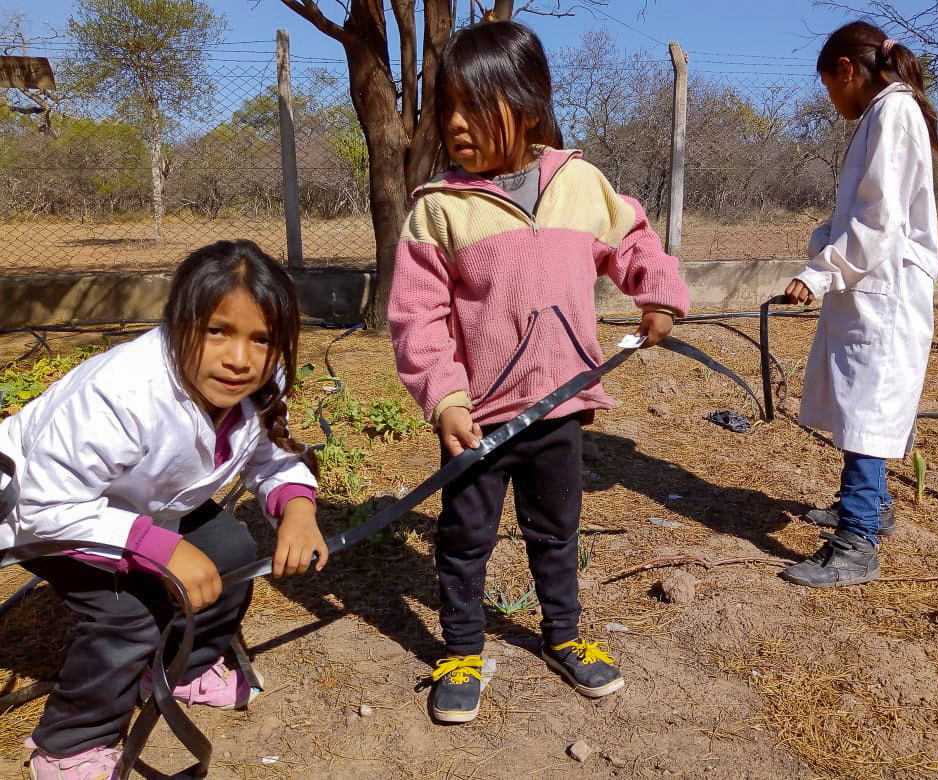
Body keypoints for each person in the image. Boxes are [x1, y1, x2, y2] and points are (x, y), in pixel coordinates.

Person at [388, 19, 690, 724]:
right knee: (466, 539)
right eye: (446, 107)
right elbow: (417, 317)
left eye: (474, 104)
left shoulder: (580, 183)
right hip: (480, 419)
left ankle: (564, 635)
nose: (455, 123)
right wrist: (445, 398)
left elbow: (633, 238)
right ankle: (462, 650)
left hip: (561, 405)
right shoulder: (440, 210)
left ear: (525, 103)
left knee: (557, 530)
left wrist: (657, 295)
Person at [0, 239, 329, 778]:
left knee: (230, 550)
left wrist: (297, 506)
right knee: (129, 612)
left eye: (262, 338)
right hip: (42, 511)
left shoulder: (261, 380)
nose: (239, 358)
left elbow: (270, 454)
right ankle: (69, 746)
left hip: (136, 503)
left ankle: (187, 668)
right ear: (180, 321)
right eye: (217, 330)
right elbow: (45, 502)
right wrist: (160, 545)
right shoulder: (124, 392)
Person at [781, 21, 938, 588]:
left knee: (868, 412)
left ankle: (858, 542)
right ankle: (870, 509)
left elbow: (879, 221)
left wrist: (822, 270)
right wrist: (825, 240)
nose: (832, 99)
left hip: (887, 290)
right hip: (874, 285)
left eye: (830, 86)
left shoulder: (893, 112)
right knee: (860, 406)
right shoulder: (886, 113)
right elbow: (866, 212)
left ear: (848, 70)